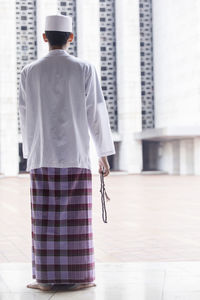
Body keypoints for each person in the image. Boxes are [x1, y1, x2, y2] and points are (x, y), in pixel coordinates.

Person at [18, 14, 116, 292]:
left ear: (45, 37)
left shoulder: (29, 71)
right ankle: (80, 276)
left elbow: (24, 116)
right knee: (76, 221)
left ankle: (46, 280)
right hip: (76, 155)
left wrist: (30, 151)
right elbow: (96, 111)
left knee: (45, 221)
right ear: (71, 38)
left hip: (42, 154)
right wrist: (103, 153)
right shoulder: (84, 68)